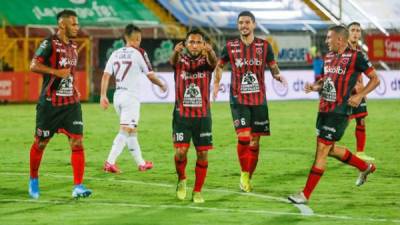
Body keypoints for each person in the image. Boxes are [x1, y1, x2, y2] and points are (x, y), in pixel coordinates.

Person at [288, 25, 380, 204]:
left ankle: (305, 194)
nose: (326, 41)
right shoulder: (328, 57)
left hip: (339, 112)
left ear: (339, 39)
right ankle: (365, 167)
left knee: (322, 151)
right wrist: (314, 87)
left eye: (329, 37)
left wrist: (360, 95)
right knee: (329, 149)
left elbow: (375, 79)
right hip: (323, 109)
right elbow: (326, 80)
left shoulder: (356, 57)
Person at [212, 11, 286, 192]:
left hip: (259, 100)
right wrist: (216, 83)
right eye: (240, 23)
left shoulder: (264, 46)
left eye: (247, 22)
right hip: (238, 99)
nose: (243, 26)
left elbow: (272, 65)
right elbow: (219, 65)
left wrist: (278, 76)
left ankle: (247, 177)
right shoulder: (230, 46)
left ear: (253, 24)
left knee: (255, 142)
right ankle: (244, 173)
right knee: (244, 137)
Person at [28, 9, 92, 199]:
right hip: (49, 105)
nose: (77, 27)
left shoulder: (73, 47)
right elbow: (33, 66)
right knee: (40, 143)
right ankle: (33, 179)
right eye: (74, 24)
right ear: (62, 24)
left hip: (71, 104)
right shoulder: (49, 43)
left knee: (77, 142)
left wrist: (74, 87)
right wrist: (56, 72)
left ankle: (78, 186)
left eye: (77, 24)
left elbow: (69, 74)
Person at [100, 24, 166, 173]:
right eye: (139, 39)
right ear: (136, 38)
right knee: (126, 129)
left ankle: (141, 163)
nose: (139, 42)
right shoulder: (139, 53)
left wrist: (103, 95)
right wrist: (162, 85)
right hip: (131, 97)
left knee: (132, 130)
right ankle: (110, 162)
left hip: (118, 96)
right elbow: (150, 75)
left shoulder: (115, 53)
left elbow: (105, 76)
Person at [170, 30, 217, 203]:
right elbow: (172, 61)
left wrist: (211, 51)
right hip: (182, 116)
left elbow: (215, 63)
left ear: (203, 44)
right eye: (191, 42)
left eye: (198, 42)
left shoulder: (207, 62)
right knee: (181, 152)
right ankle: (182, 179)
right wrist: (175, 52)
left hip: (203, 116)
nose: (195, 45)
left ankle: (197, 191)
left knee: (203, 154)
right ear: (185, 44)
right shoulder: (180, 61)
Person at [347, 21, 374, 161]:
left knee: (361, 120)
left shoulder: (360, 53)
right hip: (344, 93)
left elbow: (360, 72)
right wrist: (352, 87)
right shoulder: (342, 51)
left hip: (358, 93)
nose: (356, 33)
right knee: (339, 123)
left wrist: (363, 90)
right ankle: (327, 149)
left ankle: (360, 152)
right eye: (353, 30)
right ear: (347, 32)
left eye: (358, 30)